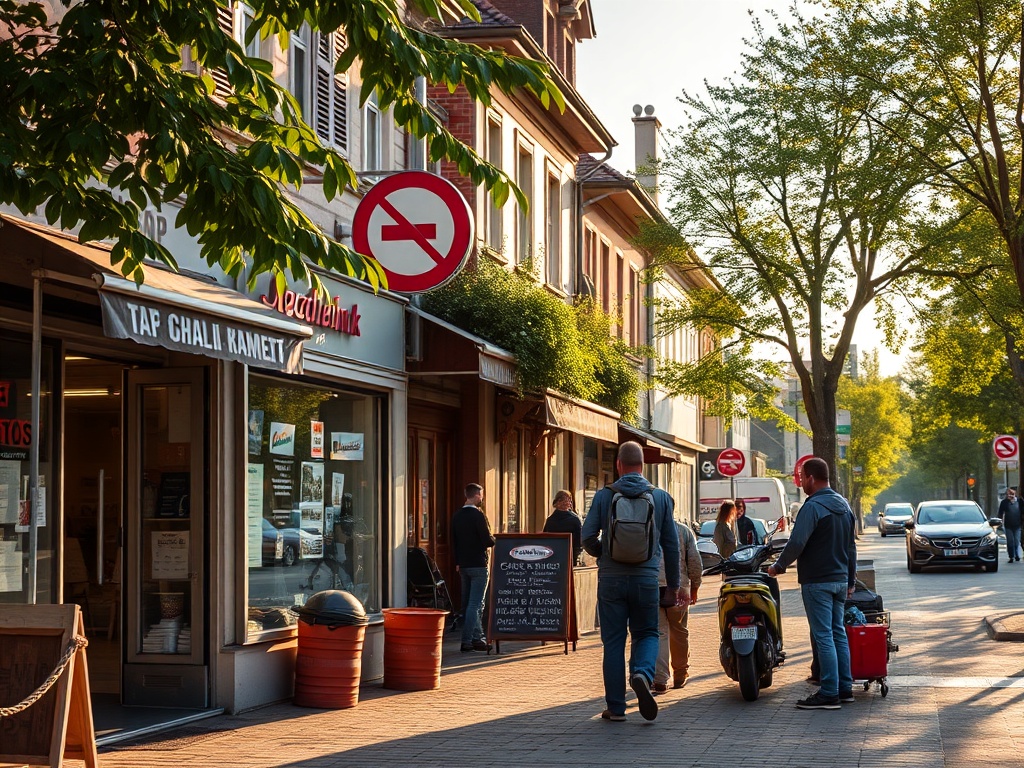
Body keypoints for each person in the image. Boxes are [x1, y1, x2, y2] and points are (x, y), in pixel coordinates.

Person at [582, 441, 680, 722]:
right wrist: (672, 586)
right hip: (646, 580)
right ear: (643, 465)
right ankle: (641, 673)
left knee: (613, 643)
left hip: (611, 580)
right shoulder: (660, 498)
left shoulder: (604, 496)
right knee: (647, 633)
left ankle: (615, 708)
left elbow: (587, 536)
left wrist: (605, 555)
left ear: (618, 465)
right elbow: (671, 547)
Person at [767, 457, 856, 710]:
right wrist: (850, 579)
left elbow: (796, 542)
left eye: (802, 477)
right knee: (838, 633)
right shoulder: (844, 505)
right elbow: (851, 547)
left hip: (817, 581)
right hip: (840, 581)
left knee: (824, 635)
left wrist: (778, 566)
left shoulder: (813, 507)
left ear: (811, 478)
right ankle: (845, 687)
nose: (801, 482)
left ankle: (829, 692)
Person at [653, 518, 701, 692]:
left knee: (659, 632)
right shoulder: (684, 531)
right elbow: (695, 560)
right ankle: (680, 673)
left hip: (654, 586)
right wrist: (695, 585)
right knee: (680, 630)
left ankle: (660, 678)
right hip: (680, 588)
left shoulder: (649, 527)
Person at [451, 483, 495, 653]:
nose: (482, 498)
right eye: (481, 496)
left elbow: (454, 541)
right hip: (478, 564)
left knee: (469, 603)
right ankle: (468, 640)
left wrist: (457, 562)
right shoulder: (478, 516)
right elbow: (486, 540)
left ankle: (477, 639)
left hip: (463, 565)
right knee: (475, 604)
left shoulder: (457, 515)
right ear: (477, 496)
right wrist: (496, 540)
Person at [543, 490, 583, 565]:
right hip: (559, 556)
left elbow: (579, 541)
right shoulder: (551, 520)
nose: (567, 503)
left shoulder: (573, 519)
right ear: (557, 502)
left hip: (556, 557)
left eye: (568, 500)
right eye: (565, 500)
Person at [999, 487, 1021, 563]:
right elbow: (1000, 513)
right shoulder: (1004, 502)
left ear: (1015, 494)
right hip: (1008, 525)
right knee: (1010, 541)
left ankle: (1017, 555)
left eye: (1012, 494)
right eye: (1009, 494)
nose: (1010, 496)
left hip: (1017, 525)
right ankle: (1011, 556)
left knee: (1017, 541)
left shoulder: (1020, 501)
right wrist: (1000, 521)